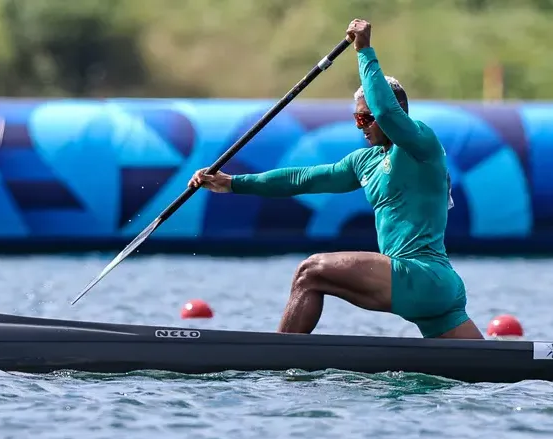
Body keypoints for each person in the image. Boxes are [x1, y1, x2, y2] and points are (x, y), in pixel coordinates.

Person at [188, 18, 483, 340]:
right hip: (433, 293)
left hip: (422, 275)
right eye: (357, 119)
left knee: (310, 272)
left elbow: (385, 112)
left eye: (366, 118)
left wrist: (364, 50)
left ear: (400, 113)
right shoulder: (365, 161)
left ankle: (278, 355)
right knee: (488, 367)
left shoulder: (421, 145)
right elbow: (303, 179)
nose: (362, 126)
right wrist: (233, 183)